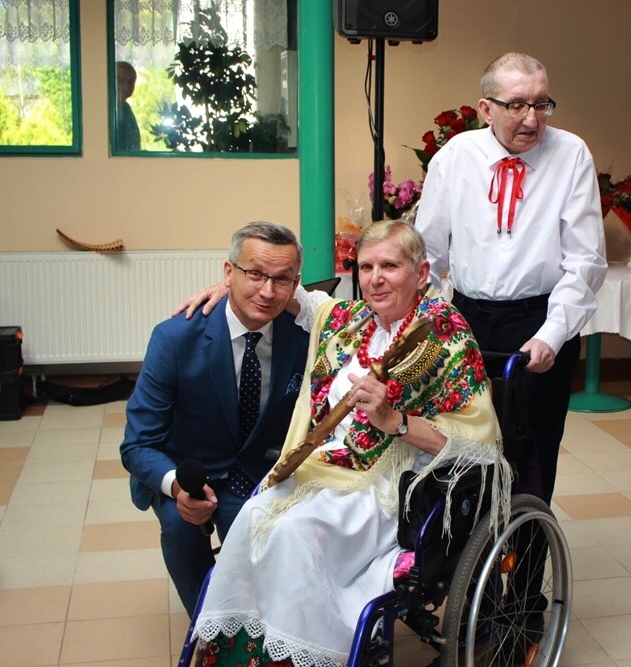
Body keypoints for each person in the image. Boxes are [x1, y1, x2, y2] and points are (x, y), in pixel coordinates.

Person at [192, 220, 511, 665]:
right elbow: (297, 297)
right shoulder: (352, 321)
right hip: (322, 467)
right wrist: (230, 286)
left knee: (295, 532)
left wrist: (395, 421)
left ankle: (302, 654)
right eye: (366, 267)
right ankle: (239, 654)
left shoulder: (445, 335)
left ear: (421, 273)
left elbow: (475, 447)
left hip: (390, 486)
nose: (375, 278)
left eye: (390, 266)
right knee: (254, 515)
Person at [415, 51, 607, 506]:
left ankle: (526, 548)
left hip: (539, 320)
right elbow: (426, 252)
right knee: (461, 445)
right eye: (517, 105)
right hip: (465, 320)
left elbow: (585, 260)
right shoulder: (456, 156)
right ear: (486, 108)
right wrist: (426, 320)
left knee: (532, 450)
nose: (532, 119)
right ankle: (467, 544)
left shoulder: (571, 154)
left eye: (541, 104)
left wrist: (552, 335)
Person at [120, 221, 309, 616]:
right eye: (254, 274)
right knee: (181, 527)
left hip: (259, 470)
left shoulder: (305, 335)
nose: (267, 291)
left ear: (295, 285)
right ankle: (207, 629)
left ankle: (268, 624)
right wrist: (177, 487)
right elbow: (138, 444)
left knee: (277, 538)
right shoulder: (175, 339)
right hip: (189, 469)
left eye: (282, 279)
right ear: (228, 273)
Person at [115, 61, 141, 150]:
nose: (125, 87)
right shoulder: (103, 109)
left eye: (130, 82)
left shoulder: (126, 109)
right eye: (120, 81)